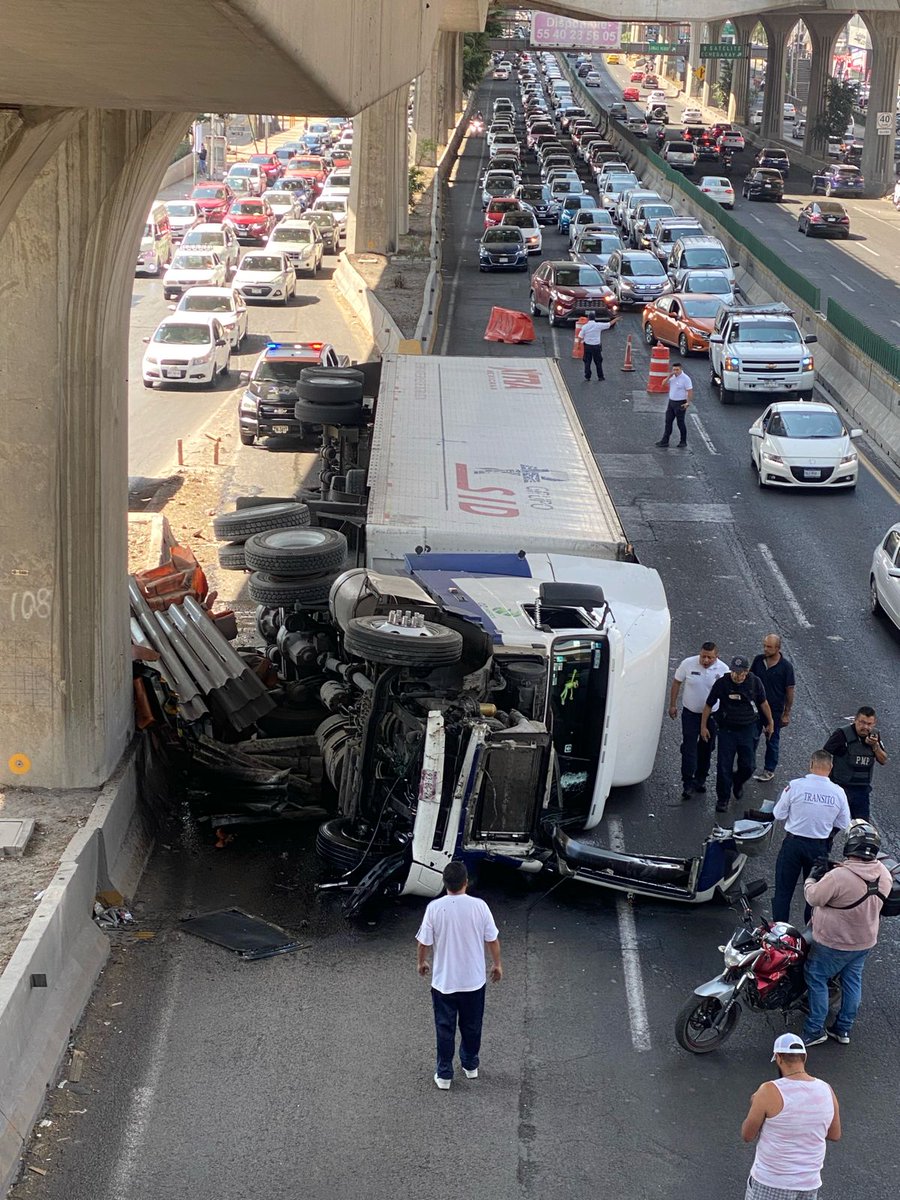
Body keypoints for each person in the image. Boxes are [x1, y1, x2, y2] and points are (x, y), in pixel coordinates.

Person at [802, 819, 893, 1047]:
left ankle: (814, 1030)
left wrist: (812, 878)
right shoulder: (884, 873)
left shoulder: (838, 877)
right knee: (852, 981)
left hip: (832, 942)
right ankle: (843, 1029)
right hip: (864, 942)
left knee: (816, 977)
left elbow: (813, 897)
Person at [416, 860, 502, 1089]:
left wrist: (422, 962)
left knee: (445, 1028)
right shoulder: (480, 907)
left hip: (444, 983)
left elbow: (423, 942)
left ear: (445, 883)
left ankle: (444, 1074)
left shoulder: (434, 908)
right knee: (472, 1025)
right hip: (473, 981)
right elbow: (492, 939)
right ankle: (470, 1065)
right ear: (466, 882)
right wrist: (497, 964)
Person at [741, 1033, 840, 1200]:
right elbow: (834, 1134)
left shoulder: (768, 1090)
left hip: (771, 1182)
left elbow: (747, 1135)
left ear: (779, 1058)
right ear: (804, 1058)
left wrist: (755, 1104)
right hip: (809, 1184)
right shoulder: (826, 1089)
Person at [770, 750, 851, 924]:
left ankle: (779, 935)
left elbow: (778, 813)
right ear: (831, 767)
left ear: (811, 764)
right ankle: (811, 933)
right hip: (819, 848)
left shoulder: (796, 786)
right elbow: (844, 823)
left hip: (793, 844)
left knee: (783, 892)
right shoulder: (838, 792)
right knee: (815, 896)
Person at [701, 656, 773, 812]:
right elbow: (708, 705)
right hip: (727, 730)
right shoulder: (722, 683)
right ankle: (723, 799)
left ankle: (738, 781)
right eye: (734, 671)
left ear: (746, 672)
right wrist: (703, 727)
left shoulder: (754, 682)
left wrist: (770, 722)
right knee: (723, 766)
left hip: (747, 729)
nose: (737, 675)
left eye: (740, 672)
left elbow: (763, 703)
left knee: (749, 765)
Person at [668, 641, 730, 800]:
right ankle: (687, 782)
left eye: (710, 657)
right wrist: (673, 705)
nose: (706, 660)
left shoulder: (723, 670)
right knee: (689, 747)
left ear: (717, 656)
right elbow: (677, 682)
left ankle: (700, 779)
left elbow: (727, 692)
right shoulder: (688, 664)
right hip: (691, 714)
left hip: (712, 716)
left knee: (707, 747)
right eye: (703, 656)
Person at [822, 706, 887, 820]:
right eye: (862, 722)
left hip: (861, 791)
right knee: (829, 826)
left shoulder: (874, 736)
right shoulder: (842, 734)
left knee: (862, 829)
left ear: (874, 723)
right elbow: (824, 755)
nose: (865, 727)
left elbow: (883, 760)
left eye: (869, 724)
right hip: (840, 788)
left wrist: (875, 746)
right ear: (855, 720)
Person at [751, 634, 796, 782]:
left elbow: (789, 691)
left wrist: (786, 713)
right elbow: (750, 679)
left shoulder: (786, 667)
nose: (765, 649)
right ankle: (748, 766)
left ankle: (769, 769)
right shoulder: (758, 660)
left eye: (769, 647)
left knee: (772, 740)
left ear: (778, 648)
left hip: (775, 711)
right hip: (756, 709)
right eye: (764, 645)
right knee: (751, 737)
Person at [655, 362, 693, 448]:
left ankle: (683, 441)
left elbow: (690, 391)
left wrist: (688, 402)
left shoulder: (685, 378)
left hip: (680, 403)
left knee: (680, 423)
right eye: (674, 369)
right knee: (668, 421)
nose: (675, 371)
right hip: (671, 402)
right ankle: (665, 441)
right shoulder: (672, 377)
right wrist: (669, 376)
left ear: (681, 369)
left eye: (677, 370)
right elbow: (663, 384)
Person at [576, 310, 616, 381]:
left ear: (588, 318)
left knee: (587, 361)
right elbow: (609, 324)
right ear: (595, 318)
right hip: (596, 347)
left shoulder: (585, 327)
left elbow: (580, 337)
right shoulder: (598, 325)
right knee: (598, 362)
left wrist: (578, 346)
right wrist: (616, 319)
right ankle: (600, 376)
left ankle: (587, 376)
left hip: (587, 346)